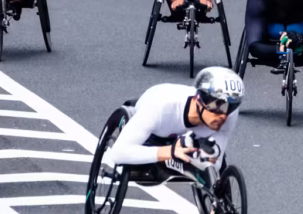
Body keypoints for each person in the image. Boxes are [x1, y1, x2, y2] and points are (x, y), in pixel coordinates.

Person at [102, 67, 243, 170]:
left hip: (188, 138)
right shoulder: (161, 107)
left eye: (231, 106)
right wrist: (169, 152)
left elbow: (215, 163)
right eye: (217, 106)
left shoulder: (230, 114)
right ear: (199, 100)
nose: (224, 115)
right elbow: (118, 153)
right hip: (155, 132)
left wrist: (205, 158)